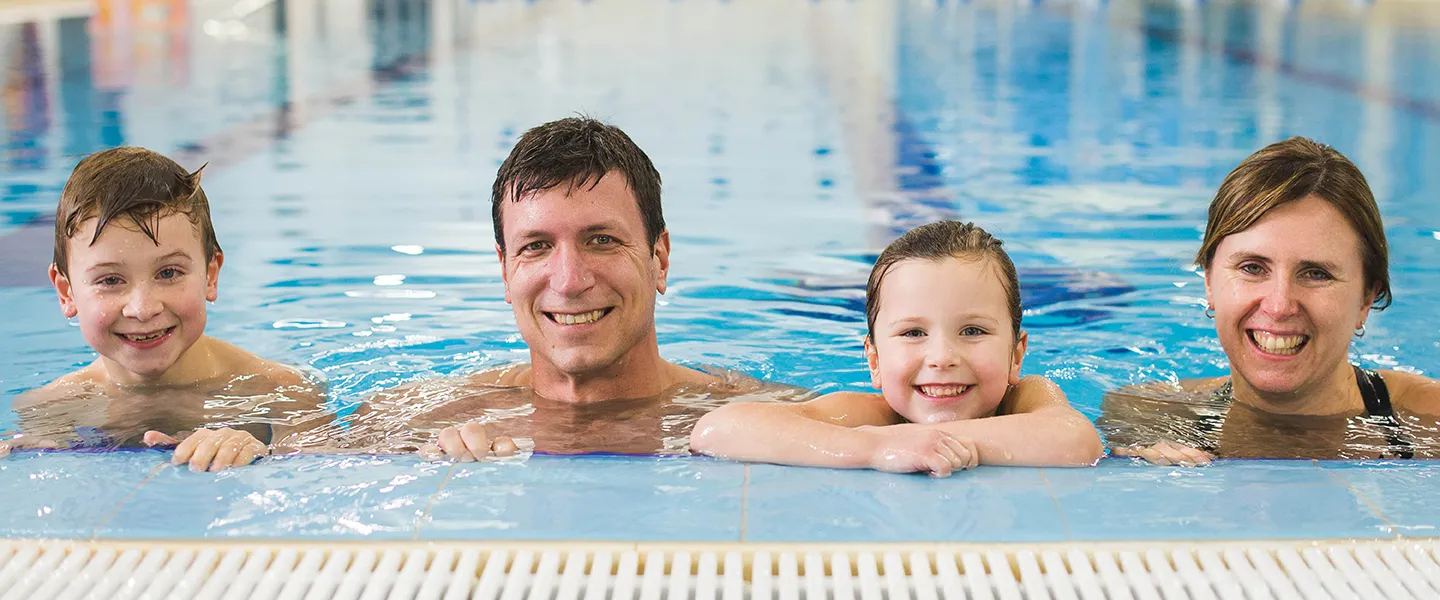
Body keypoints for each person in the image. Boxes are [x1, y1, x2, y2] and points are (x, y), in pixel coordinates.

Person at [336, 117, 801, 459]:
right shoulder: (419, 420)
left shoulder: (763, 418)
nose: (569, 281)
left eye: (602, 241)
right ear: (505, 272)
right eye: (536, 246)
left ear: (659, 258)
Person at [1102, 137, 1440, 465]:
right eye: (1252, 267)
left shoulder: (1430, 421)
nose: (1279, 306)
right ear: (1209, 281)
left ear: (1366, 299)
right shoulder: (1145, 415)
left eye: (1316, 273)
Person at [689, 221, 1104, 476]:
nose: (942, 357)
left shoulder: (1027, 398)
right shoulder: (872, 418)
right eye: (913, 334)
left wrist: (929, 440)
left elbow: (1076, 440)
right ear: (874, 360)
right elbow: (718, 429)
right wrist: (876, 448)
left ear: (1016, 354)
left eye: (973, 331)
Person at [2, 147, 325, 471]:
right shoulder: (54, 408)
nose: (142, 309)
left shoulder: (279, 392)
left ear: (210, 275)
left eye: (169, 273)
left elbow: (319, 476)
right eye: (110, 280)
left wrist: (262, 454)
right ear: (66, 292)